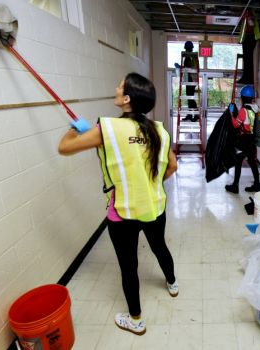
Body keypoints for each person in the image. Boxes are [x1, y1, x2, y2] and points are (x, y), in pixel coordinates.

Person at [58, 73, 178, 336]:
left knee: (128, 266)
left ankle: (136, 319)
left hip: (121, 212)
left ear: (126, 99)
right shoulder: (159, 130)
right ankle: (172, 283)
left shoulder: (107, 129)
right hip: (154, 206)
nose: (115, 88)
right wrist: (154, 184)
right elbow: (172, 166)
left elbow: (64, 148)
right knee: (160, 247)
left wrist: (75, 128)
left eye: (120, 86)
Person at [225, 85, 260, 194]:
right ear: (252, 98)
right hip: (252, 139)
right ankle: (257, 184)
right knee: (252, 162)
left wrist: (231, 113)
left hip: (244, 140)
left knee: (238, 161)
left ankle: (235, 186)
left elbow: (236, 125)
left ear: (243, 97)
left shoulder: (243, 110)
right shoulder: (256, 108)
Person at [237, 9, 260, 85]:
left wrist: (248, 18)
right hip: (248, 38)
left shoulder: (249, 13)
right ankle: (246, 77)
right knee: (247, 59)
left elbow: (251, 24)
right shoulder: (246, 14)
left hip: (250, 38)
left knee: (248, 58)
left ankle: (248, 78)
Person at [182, 41, 199, 122]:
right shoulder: (191, 56)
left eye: (187, 48)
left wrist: (182, 67)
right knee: (189, 98)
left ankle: (196, 114)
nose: (187, 49)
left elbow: (189, 67)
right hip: (189, 78)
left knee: (190, 98)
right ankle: (190, 114)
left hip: (191, 79)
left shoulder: (191, 56)